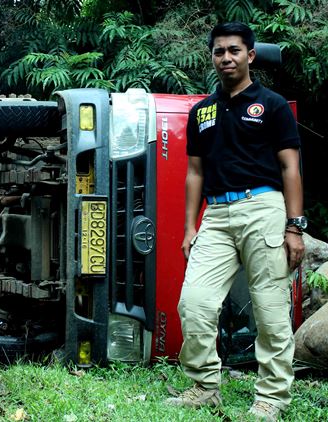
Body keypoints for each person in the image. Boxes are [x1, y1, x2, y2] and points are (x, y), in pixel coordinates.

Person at [165, 22, 305, 421]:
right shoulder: (202, 111)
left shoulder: (272, 104)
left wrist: (295, 227)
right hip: (218, 215)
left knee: (270, 309)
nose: (226, 57)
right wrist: (192, 227)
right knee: (194, 303)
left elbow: (290, 167)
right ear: (212, 56)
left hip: (263, 209)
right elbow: (195, 172)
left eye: (234, 50)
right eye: (219, 51)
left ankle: (272, 397)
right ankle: (204, 386)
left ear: (250, 55)